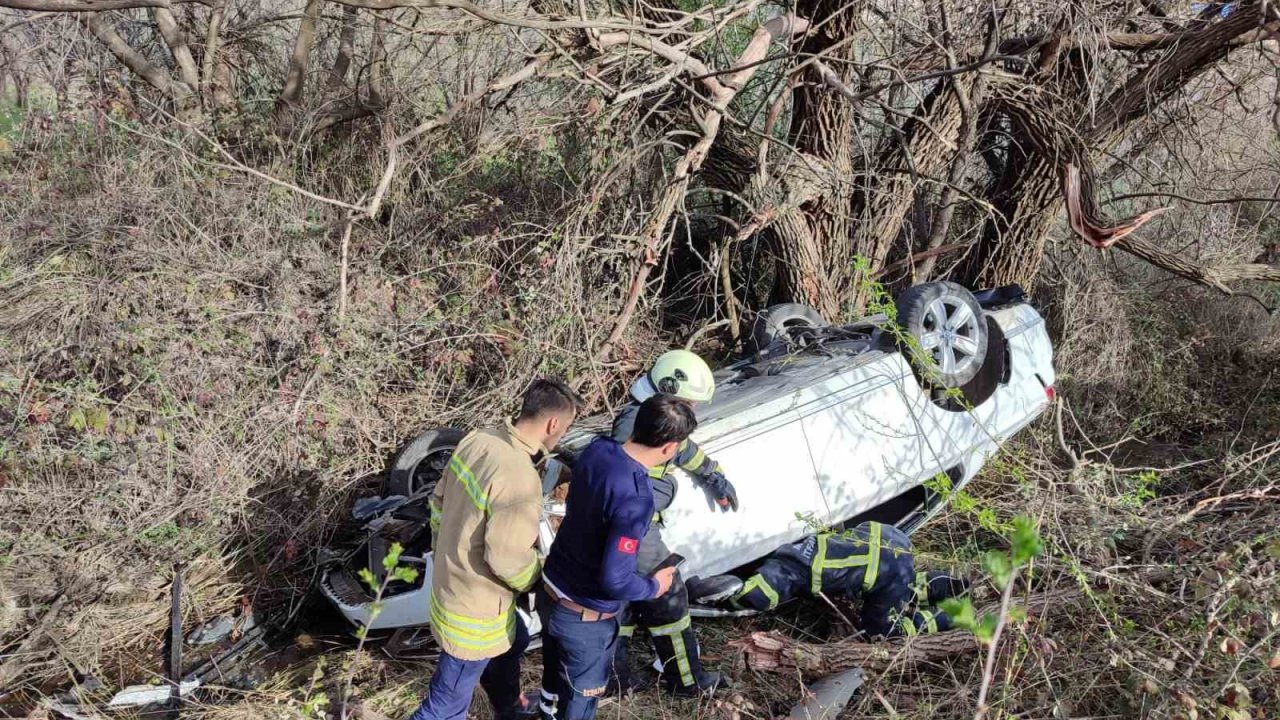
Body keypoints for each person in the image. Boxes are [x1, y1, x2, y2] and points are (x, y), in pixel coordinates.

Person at [408, 378, 583, 720]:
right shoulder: (518, 476)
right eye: (566, 427)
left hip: (452, 581)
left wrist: (447, 549)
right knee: (445, 705)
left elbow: (439, 500)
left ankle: (508, 709)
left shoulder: (479, 439)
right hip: (475, 609)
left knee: (513, 641)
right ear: (553, 424)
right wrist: (539, 578)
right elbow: (505, 558)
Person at [536, 395, 698, 720]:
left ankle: (544, 711)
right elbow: (616, 580)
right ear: (669, 448)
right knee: (579, 705)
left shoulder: (597, 450)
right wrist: (654, 587)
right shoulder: (637, 499)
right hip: (583, 619)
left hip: (551, 592)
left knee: (552, 684)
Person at [608, 350, 738, 696]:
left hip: (629, 529)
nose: (692, 411)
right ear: (667, 388)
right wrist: (662, 492)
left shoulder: (649, 416)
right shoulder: (631, 424)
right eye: (688, 403)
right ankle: (686, 682)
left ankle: (616, 680)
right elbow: (629, 482)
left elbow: (683, 448)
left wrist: (713, 475)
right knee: (669, 595)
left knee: (621, 604)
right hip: (634, 530)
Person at [710, 521, 969, 638]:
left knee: (772, 568)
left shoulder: (900, 540)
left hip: (811, 542)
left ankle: (732, 584)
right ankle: (728, 592)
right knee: (757, 595)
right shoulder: (896, 587)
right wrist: (939, 621)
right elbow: (877, 629)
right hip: (803, 571)